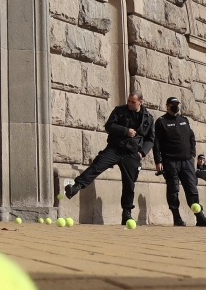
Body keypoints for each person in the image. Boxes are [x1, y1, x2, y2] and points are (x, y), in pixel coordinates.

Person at [63, 92, 155, 224]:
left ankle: (127, 213)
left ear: (140, 102)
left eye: (133, 102)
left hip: (132, 153)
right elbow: (109, 126)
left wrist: (142, 153)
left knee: (129, 184)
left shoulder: (148, 118)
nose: (129, 104)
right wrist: (125, 131)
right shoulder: (120, 111)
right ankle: (76, 187)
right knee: (97, 166)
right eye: (129, 101)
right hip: (115, 148)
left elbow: (151, 139)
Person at [152, 97, 206, 227]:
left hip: (186, 162)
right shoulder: (161, 122)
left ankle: (199, 217)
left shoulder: (184, 120)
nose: (176, 107)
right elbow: (156, 143)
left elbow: (191, 137)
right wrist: (158, 161)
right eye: (173, 105)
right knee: (173, 190)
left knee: (192, 189)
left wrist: (192, 154)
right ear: (167, 106)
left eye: (177, 104)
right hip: (171, 161)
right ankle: (177, 217)